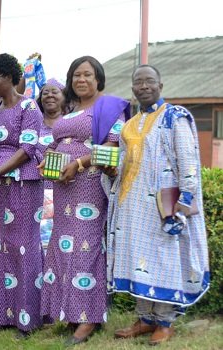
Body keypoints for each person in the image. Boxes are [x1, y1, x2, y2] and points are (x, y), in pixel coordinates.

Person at [107, 65, 210, 345]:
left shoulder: (174, 117)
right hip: (133, 205)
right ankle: (144, 319)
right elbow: (125, 162)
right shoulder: (129, 124)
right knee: (138, 261)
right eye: (138, 82)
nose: (143, 86)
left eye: (149, 81)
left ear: (160, 86)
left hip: (163, 205)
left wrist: (184, 201)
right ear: (133, 89)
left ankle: (165, 321)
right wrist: (110, 172)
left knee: (164, 260)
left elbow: (187, 160)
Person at [38, 56, 130, 346]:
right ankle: (70, 312)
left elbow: (111, 146)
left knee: (85, 246)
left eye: (88, 75)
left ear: (98, 78)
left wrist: (77, 163)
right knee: (63, 246)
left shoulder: (110, 107)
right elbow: (55, 142)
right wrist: (46, 163)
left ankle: (89, 316)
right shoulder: (72, 110)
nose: (81, 80)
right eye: (76, 75)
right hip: (64, 184)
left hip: (89, 183)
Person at [0, 53, 44, 338]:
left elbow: (27, 149)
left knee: (25, 246)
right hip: (2, 182)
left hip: (25, 180)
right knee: (6, 245)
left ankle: (28, 320)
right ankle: (3, 315)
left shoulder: (29, 107)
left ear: (10, 78)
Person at [35, 78, 66, 189]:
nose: (49, 96)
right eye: (45, 93)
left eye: (54, 92)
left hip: (65, 185)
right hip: (37, 187)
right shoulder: (33, 123)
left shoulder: (71, 122)